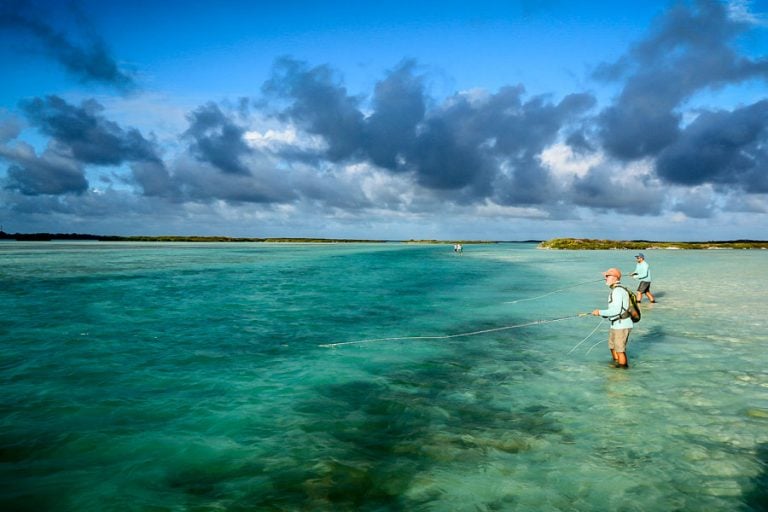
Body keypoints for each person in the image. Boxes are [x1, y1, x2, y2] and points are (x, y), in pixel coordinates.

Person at [592, 268, 633, 368]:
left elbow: (616, 311)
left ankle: (622, 372)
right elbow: (615, 309)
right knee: (612, 347)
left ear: (615, 278)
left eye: (607, 276)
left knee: (620, 350)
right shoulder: (616, 290)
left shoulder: (618, 291)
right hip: (615, 324)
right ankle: (616, 365)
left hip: (622, 324)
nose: (605, 278)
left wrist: (600, 312)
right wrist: (604, 314)